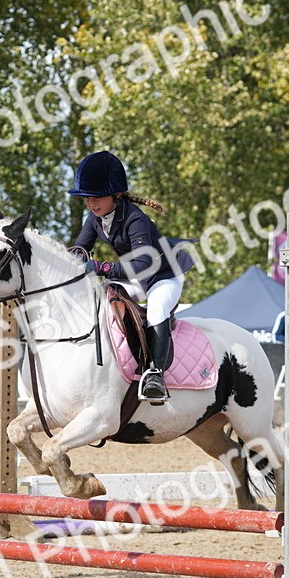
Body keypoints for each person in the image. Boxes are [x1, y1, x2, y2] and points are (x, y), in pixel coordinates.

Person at [68, 150, 194, 404]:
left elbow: (144, 264)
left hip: (163, 275)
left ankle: (155, 375)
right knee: (107, 295)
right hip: (137, 275)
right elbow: (80, 249)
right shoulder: (94, 218)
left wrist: (102, 267)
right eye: (87, 198)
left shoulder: (135, 218)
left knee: (157, 308)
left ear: (115, 194)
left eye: (97, 197)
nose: (92, 204)